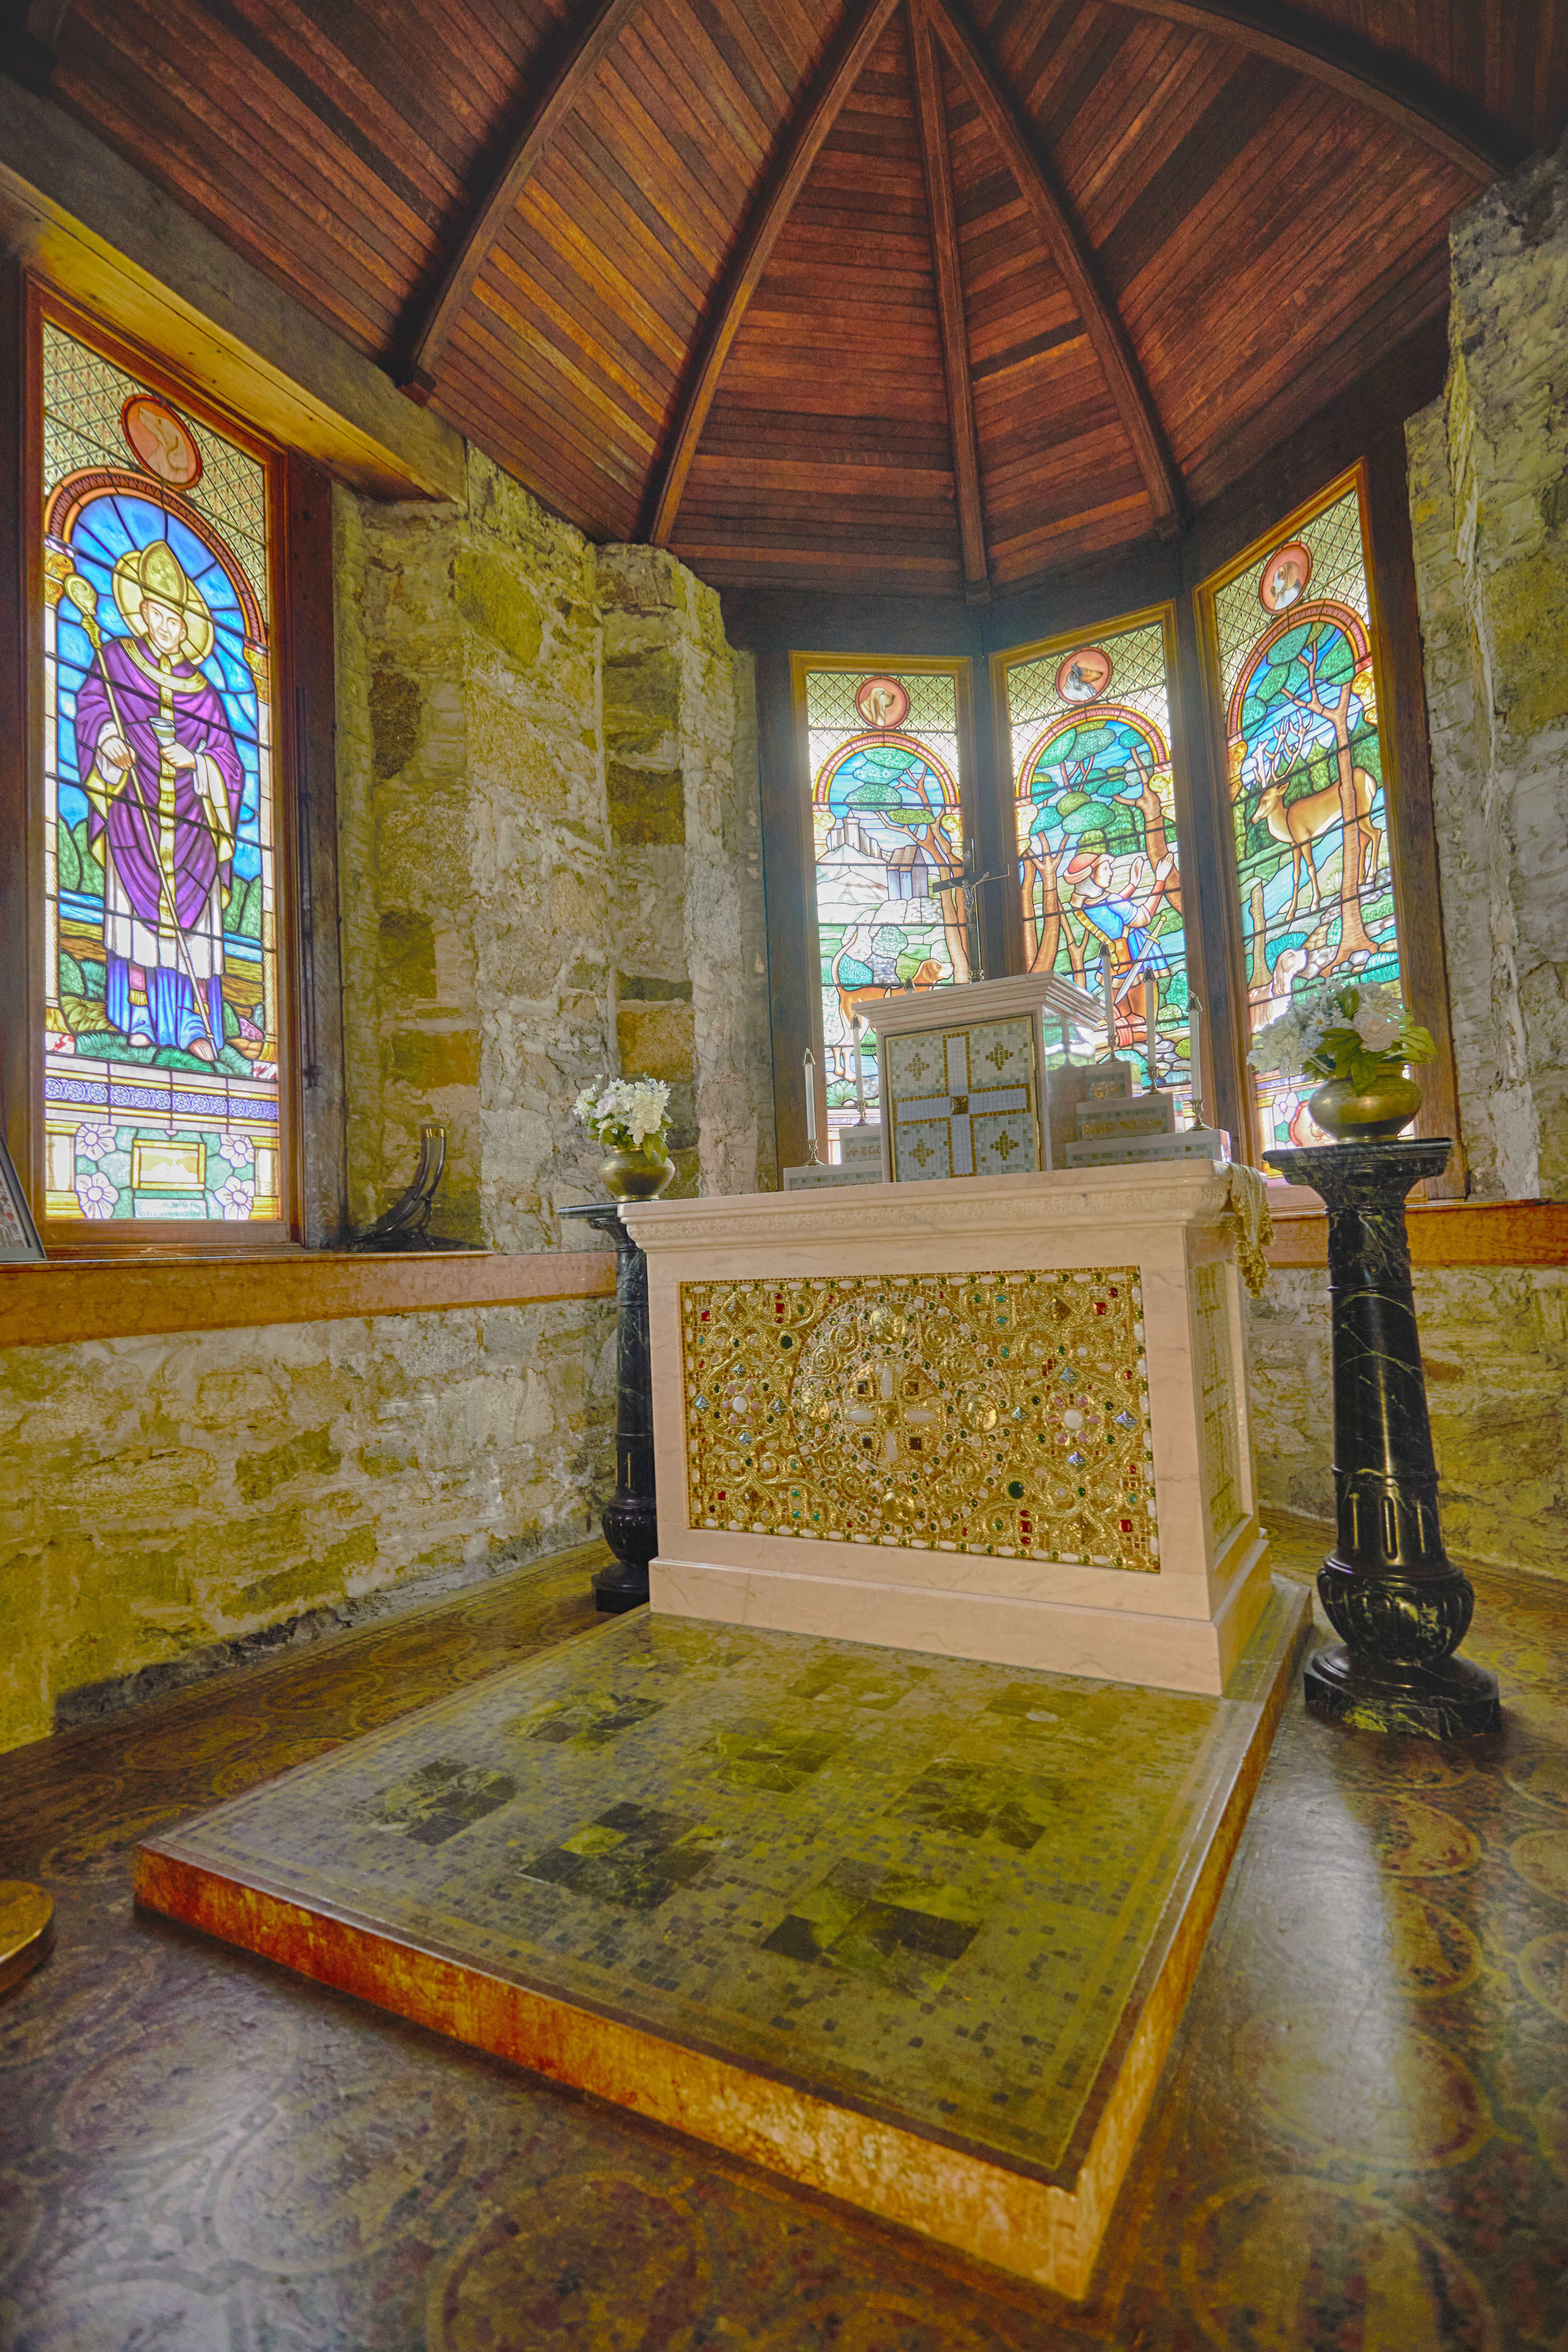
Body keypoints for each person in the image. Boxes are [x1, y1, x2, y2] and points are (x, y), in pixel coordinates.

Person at [74, 539, 244, 1060]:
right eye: (159, 615)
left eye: (177, 619)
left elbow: (230, 760)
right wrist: (109, 743)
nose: (169, 627)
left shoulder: (205, 693)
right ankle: (140, 1017)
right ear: (143, 614)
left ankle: (194, 1023)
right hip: (135, 821)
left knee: (193, 930)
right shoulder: (114, 663)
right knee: (135, 925)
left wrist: (196, 762)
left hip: (193, 829)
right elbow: (89, 711)